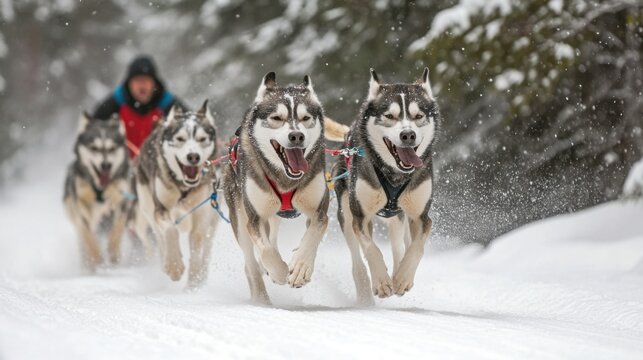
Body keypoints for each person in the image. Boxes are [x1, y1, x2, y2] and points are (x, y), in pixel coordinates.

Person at [93, 55, 185, 157]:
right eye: (137, 81)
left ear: (154, 83)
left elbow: (192, 126)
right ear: (129, 84)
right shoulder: (116, 103)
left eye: (146, 80)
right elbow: (92, 128)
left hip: (157, 169)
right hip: (122, 168)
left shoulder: (167, 103)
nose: (142, 86)